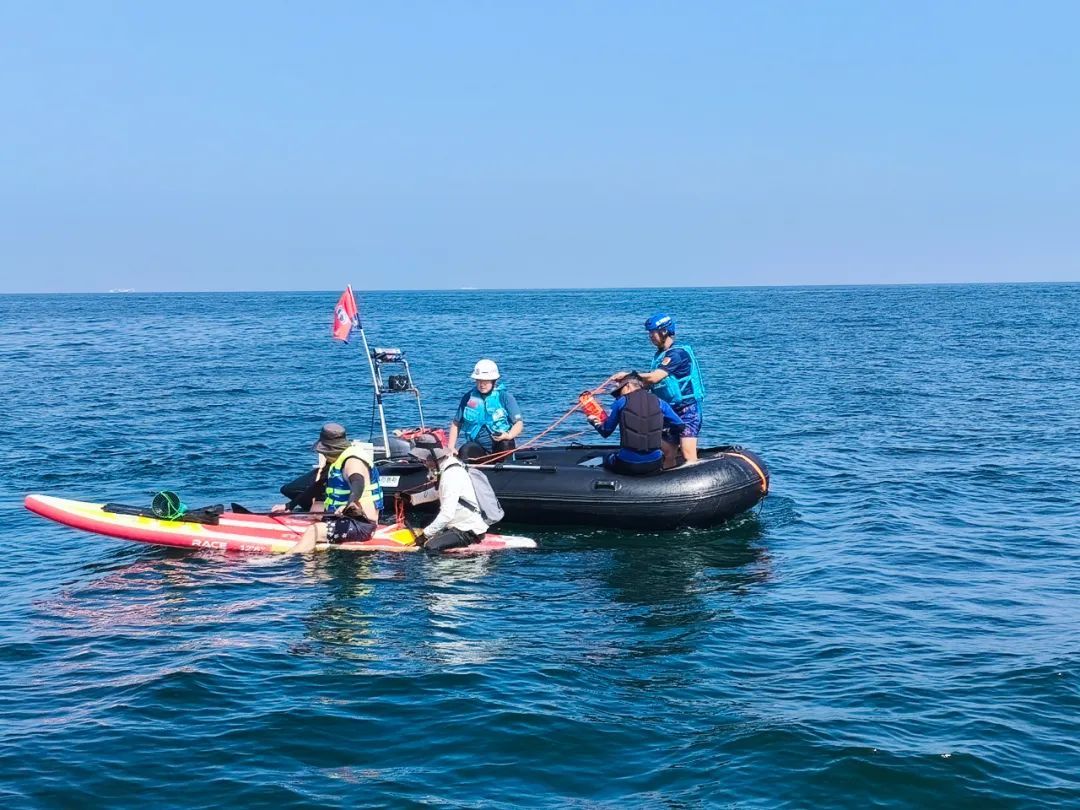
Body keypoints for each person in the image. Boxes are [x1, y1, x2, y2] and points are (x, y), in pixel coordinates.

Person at [614, 312, 705, 465]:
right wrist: (625, 387)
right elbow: (649, 384)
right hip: (669, 412)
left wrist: (629, 375)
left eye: (653, 333)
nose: (650, 336)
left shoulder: (677, 354)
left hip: (687, 411)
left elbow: (655, 377)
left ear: (664, 331)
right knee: (667, 451)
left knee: (688, 453)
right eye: (649, 333)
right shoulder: (659, 356)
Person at [284, 423, 384, 554]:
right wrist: (289, 506)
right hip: (346, 519)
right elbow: (318, 486)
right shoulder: (338, 458)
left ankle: (283, 560)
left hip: (361, 524)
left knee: (313, 531)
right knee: (315, 509)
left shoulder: (353, 462)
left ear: (330, 448)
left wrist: (350, 504)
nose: (323, 455)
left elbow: (358, 483)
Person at [587, 372, 684, 475]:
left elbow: (606, 431)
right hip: (655, 463)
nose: (620, 394)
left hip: (627, 464)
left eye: (620, 390)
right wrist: (664, 432)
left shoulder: (621, 402)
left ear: (628, 386)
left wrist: (594, 423)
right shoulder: (660, 402)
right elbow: (680, 425)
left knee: (607, 458)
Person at [405, 438, 490, 553]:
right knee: (425, 522)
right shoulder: (447, 466)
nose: (423, 463)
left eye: (424, 460)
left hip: (467, 530)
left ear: (433, 458)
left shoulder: (451, 475)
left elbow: (446, 515)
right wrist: (412, 498)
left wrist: (425, 536)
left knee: (430, 547)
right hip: (456, 523)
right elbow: (439, 492)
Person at [448, 359, 524, 458]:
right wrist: (451, 447)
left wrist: (508, 435)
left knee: (506, 443)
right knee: (466, 450)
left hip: (500, 444)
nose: (482, 384)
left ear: (494, 381)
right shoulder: (468, 397)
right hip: (478, 446)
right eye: (479, 381)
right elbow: (456, 423)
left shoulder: (505, 397)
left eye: (486, 381)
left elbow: (519, 423)